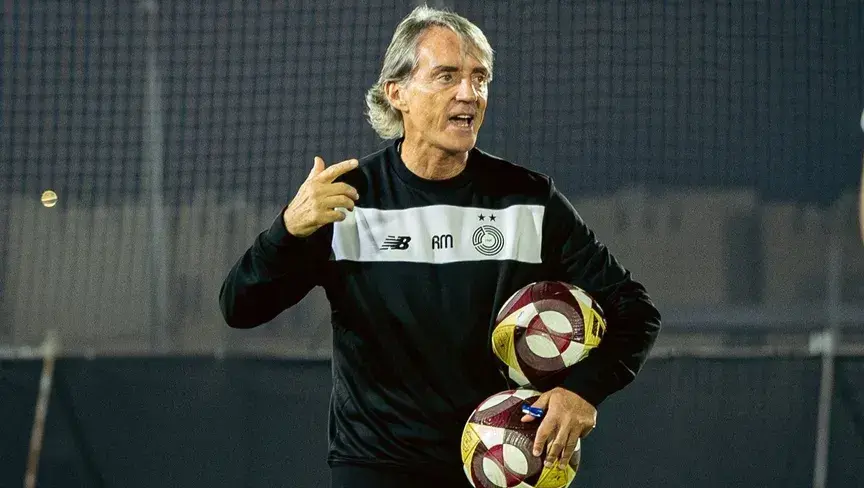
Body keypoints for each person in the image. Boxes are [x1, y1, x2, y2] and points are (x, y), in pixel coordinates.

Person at [219, 6, 661, 488]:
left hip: (497, 464)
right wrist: (287, 230)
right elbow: (240, 307)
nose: (469, 93)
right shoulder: (346, 200)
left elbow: (634, 311)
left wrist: (583, 391)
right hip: (375, 467)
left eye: (480, 78)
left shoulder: (527, 200)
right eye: (447, 76)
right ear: (397, 93)